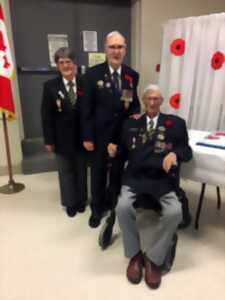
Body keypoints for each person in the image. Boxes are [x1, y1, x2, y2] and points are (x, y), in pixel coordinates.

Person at [108, 84, 192, 289]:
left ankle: (153, 258)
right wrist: (113, 150)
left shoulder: (176, 124)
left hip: (163, 180)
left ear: (161, 101)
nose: (152, 102)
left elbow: (186, 151)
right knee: (122, 207)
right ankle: (135, 255)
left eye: (156, 99)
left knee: (174, 212)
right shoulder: (130, 123)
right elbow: (122, 152)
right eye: (149, 99)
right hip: (135, 178)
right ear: (143, 101)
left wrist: (175, 154)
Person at [81, 31, 140, 228]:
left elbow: (132, 106)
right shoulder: (92, 74)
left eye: (120, 47)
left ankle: (113, 205)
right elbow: (86, 109)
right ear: (106, 49)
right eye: (112, 47)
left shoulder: (131, 76)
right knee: (98, 174)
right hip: (99, 137)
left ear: (125, 49)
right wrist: (87, 136)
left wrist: (134, 129)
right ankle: (97, 209)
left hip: (120, 137)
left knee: (116, 174)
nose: (116, 51)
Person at [41, 47, 87, 217]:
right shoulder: (50, 86)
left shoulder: (84, 82)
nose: (66, 65)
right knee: (66, 172)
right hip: (61, 139)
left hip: (82, 138)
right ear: (57, 65)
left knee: (81, 171)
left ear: (74, 63)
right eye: (61, 62)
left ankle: (81, 199)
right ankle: (70, 202)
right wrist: (48, 140)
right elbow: (46, 115)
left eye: (68, 61)